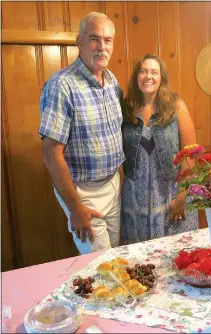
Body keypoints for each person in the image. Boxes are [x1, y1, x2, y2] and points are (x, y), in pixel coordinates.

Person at [39, 12, 125, 254]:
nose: (102, 47)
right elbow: (51, 153)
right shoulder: (62, 85)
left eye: (108, 40)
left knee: (115, 254)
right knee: (101, 266)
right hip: (83, 192)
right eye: (94, 39)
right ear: (79, 41)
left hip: (113, 185)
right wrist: (75, 208)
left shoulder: (111, 80)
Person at [121, 54, 198, 244]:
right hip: (135, 198)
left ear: (161, 77)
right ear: (136, 76)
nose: (148, 76)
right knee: (140, 257)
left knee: (173, 254)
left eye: (154, 72)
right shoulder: (127, 108)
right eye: (143, 71)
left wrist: (182, 196)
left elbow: (190, 153)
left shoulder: (176, 106)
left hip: (170, 193)